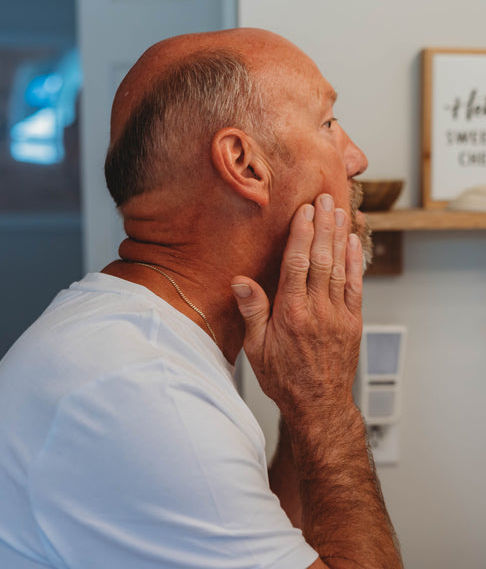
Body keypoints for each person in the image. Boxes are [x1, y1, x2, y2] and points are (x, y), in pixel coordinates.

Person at [0, 28, 403, 568]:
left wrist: (304, 401)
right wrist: (324, 407)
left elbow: (269, 544)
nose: (356, 158)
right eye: (328, 124)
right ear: (245, 164)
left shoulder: (142, 340)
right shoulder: (139, 387)